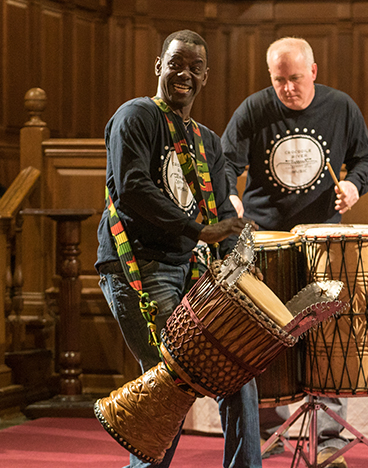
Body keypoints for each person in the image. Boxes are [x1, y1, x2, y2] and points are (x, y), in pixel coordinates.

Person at [96, 30, 261, 468]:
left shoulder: (208, 140)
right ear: (159, 66)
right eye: (176, 64)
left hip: (189, 268)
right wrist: (198, 232)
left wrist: (237, 260)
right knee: (172, 383)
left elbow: (222, 211)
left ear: (205, 77)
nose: (184, 74)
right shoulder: (136, 116)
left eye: (195, 68)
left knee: (238, 373)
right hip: (138, 266)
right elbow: (132, 188)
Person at [221, 37, 368, 468]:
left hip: (319, 237)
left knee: (324, 338)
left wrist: (352, 186)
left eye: (295, 78)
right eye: (279, 80)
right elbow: (224, 164)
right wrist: (230, 199)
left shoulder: (341, 106)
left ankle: (328, 440)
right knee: (262, 336)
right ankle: (269, 434)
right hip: (264, 239)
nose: (288, 88)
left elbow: (367, 160)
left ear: (313, 71)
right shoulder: (254, 109)